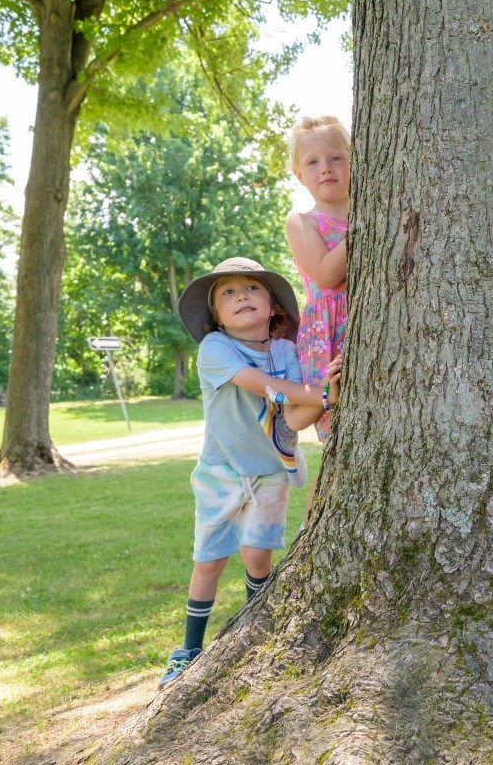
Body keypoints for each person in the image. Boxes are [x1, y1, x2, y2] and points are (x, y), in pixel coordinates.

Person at [159, 257, 340, 689]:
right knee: (209, 560)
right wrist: (320, 392)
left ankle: (250, 636)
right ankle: (187, 649)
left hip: (270, 470)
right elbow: (264, 386)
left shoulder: (285, 351)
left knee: (257, 556)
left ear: (274, 306)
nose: (241, 295)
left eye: (252, 288)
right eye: (228, 293)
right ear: (216, 318)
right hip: (220, 470)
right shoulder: (216, 350)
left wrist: (331, 392)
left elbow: (294, 420)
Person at [284, 115, 350, 440]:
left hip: (369, 321)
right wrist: (362, 229)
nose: (326, 167)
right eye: (313, 162)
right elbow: (326, 274)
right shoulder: (301, 222)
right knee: (339, 438)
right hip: (328, 331)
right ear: (299, 175)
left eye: (336, 157)